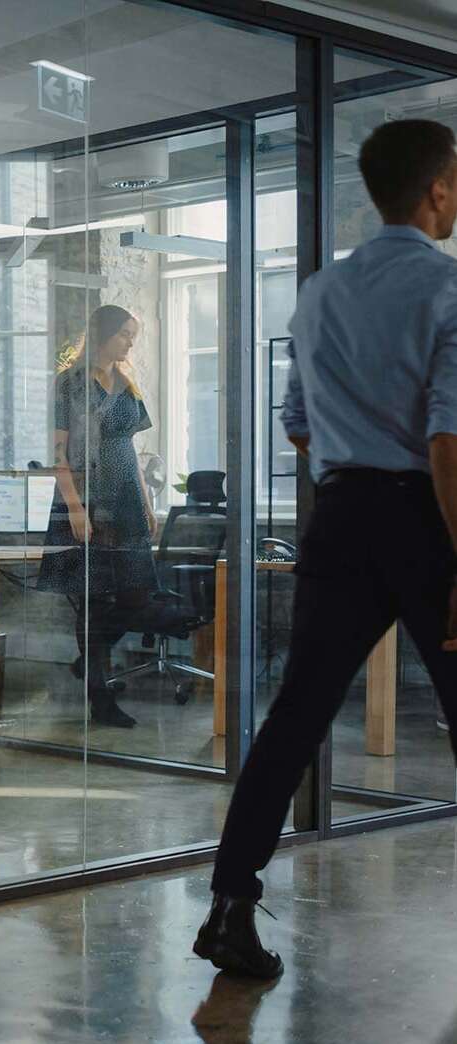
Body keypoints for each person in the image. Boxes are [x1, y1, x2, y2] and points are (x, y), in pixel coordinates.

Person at [194, 118, 457, 979]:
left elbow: (299, 426)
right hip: (428, 518)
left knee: (296, 717)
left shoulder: (317, 294)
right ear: (439, 190)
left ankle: (231, 904)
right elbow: (450, 442)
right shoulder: (450, 291)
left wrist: (358, 456)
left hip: (339, 518)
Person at [35, 304, 158, 729]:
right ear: (104, 334)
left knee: (137, 592)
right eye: (124, 334)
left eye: (132, 335)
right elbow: (58, 453)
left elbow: (131, 452)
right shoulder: (69, 384)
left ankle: (88, 661)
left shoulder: (126, 383)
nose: (129, 342)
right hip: (88, 501)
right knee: (92, 599)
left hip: (125, 502)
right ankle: (100, 698)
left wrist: (146, 501)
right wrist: (74, 507)